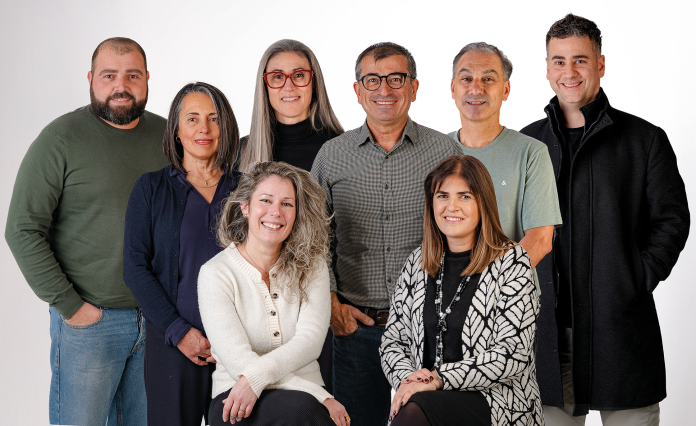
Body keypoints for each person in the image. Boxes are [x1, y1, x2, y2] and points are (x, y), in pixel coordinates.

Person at [520, 14, 690, 426]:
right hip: (549, 334)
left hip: (621, 329)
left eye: (580, 60)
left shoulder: (644, 139)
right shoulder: (528, 143)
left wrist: (634, 277)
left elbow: (671, 221)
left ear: (600, 64)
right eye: (559, 61)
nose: (569, 72)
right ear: (547, 68)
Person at [5, 37, 167, 425]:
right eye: (109, 75)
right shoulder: (60, 139)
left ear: (147, 79)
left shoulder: (169, 136)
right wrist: (71, 306)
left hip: (158, 320)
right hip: (91, 324)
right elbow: (22, 228)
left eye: (132, 75)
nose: (120, 86)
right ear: (91, 79)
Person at [311, 42, 462, 425]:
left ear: (413, 87)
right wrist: (331, 303)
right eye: (372, 80)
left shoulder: (445, 152)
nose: (384, 89)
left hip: (431, 325)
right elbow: (313, 239)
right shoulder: (332, 155)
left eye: (396, 78)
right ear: (357, 90)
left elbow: (464, 231)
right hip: (357, 327)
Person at [380, 155, 543, 426]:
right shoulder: (417, 262)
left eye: (464, 196)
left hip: (496, 402)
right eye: (442, 196)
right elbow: (392, 341)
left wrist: (438, 379)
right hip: (427, 399)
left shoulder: (513, 262)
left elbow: (512, 353)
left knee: (413, 410)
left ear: (483, 203)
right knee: (413, 406)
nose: (451, 206)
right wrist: (409, 379)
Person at [123, 82, 240, 426]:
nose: (204, 128)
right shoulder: (151, 189)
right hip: (173, 344)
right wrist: (179, 332)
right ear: (176, 130)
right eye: (192, 118)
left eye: (214, 119)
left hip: (237, 344)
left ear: (226, 127)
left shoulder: (247, 190)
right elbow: (134, 268)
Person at [198, 161, 350, 426]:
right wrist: (320, 395)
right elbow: (237, 360)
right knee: (303, 410)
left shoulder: (313, 266)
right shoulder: (215, 273)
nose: (276, 212)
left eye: (287, 204)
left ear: (297, 213)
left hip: (304, 397)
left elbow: (310, 342)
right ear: (245, 206)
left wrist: (312, 394)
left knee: (303, 409)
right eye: (266, 200)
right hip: (236, 395)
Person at [237, 39, 344, 393]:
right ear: (264, 84)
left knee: (323, 403)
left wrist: (334, 297)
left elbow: (347, 232)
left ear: (314, 81)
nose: (289, 85)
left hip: (321, 301)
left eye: (299, 75)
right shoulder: (244, 151)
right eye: (277, 76)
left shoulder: (341, 147)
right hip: (258, 301)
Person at [447, 42, 561, 290]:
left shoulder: (531, 153)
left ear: (505, 90)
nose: (476, 89)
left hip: (509, 298)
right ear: (453, 88)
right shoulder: (433, 153)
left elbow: (540, 239)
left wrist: (486, 289)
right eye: (466, 79)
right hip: (442, 299)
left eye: (488, 79)